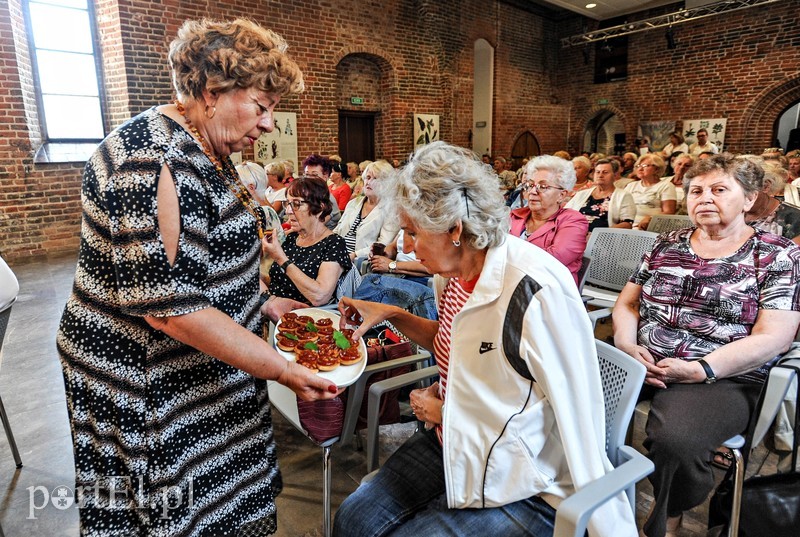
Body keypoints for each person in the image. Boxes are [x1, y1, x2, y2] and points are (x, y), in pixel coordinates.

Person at [55, 19, 338, 537]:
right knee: (180, 513)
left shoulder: (205, 145)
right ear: (211, 91)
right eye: (262, 106)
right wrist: (282, 369)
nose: (269, 125)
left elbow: (203, 260)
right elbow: (172, 309)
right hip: (150, 388)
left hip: (199, 377)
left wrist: (261, 303)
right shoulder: (153, 159)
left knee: (226, 504)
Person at [333, 141, 635, 537]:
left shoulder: (533, 290)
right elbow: (455, 342)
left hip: (524, 477)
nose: (406, 247)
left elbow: (569, 413)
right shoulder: (454, 273)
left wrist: (446, 413)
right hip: (452, 441)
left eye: (413, 233)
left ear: (455, 229)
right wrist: (392, 314)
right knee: (352, 520)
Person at [612, 154, 800, 537]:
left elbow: (774, 336)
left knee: (677, 441)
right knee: (566, 396)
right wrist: (627, 345)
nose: (705, 198)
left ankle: (667, 516)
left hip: (723, 374)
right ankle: (589, 490)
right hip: (641, 359)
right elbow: (628, 303)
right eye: (696, 191)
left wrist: (702, 369)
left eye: (719, 189)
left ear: (749, 199)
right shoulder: (667, 243)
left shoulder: (777, 254)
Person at [260, 176, 352, 322]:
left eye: (296, 204)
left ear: (319, 208)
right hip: (274, 313)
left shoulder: (334, 243)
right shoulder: (291, 238)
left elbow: (320, 296)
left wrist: (280, 258)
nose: (288, 211)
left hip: (307, 321)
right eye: (287, 203)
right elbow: (277, 281)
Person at [510, 155, 588, 285]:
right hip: (511, 284)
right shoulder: (515, 216)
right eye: (530, 185)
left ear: (561, 195)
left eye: (543, 186)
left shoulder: (573, 221)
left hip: (551, 289)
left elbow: (552, 260)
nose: (532, 191)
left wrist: (506, 256)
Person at [333, 159, 399, 262]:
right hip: (336, 253)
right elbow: (337, 231)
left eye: (375, 178)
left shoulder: (392, 210)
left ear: (387, 183)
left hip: (359, 260)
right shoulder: (353, 203)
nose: (369, 182)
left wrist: (354, 255)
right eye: (368, 177)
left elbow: (383, 244)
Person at [566, 158, 636, 232]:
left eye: (605, 172)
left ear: (615, 175)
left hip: (603, 236)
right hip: (574, 233)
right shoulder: (582, 194)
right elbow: (565, 213)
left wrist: (599, 234)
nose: (600, 175)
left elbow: (627, 224)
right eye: (597, 172)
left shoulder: (623, 196)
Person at [625, 153, 676, 230]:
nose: (640, 169)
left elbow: (669, 212)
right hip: (628, 226)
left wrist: (651, 218)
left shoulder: (666, 186)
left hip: (651, 227)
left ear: (657, 169)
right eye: (638, 166)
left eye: (645, 166)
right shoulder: (631, 186)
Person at [302, 153, 341, 229]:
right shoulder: (306, 195)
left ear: (325, 176)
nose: (309, 179)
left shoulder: (328, 199)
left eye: (314, 175)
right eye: (307, 174)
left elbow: (314, 226)